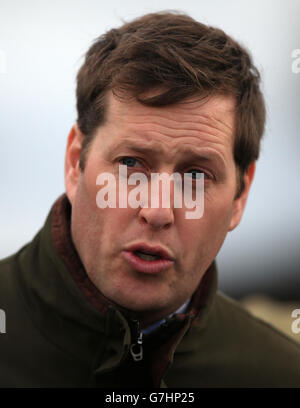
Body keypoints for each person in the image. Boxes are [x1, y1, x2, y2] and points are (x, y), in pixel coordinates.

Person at [0, 11, 300, 388]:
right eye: (130, 165)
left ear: (241, 195)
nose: (157, 211)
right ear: (76, 161)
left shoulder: (279, 376)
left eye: (195, 176)